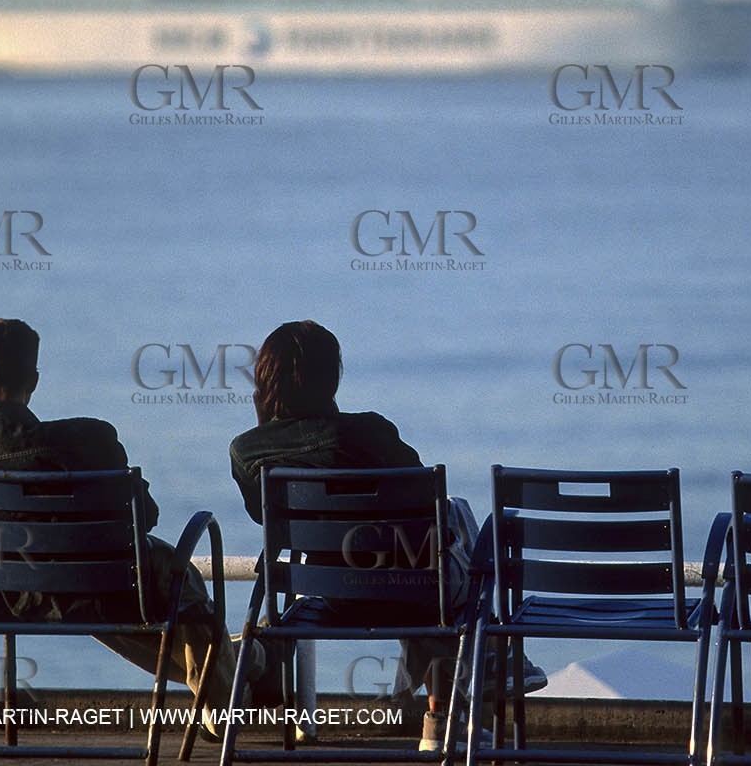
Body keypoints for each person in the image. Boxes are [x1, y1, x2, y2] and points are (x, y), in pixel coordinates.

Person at [0, 318, 261, 733]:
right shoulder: (91, 440)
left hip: (3, 595)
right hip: (105, 591)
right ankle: (227, 695)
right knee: (173, 569)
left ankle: (239, 664)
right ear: (34, 380)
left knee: (95, 583)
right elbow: (146, 516)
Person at [230, 320, 544, 750]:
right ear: (331, 379)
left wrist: (266, 422)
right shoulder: (370, 431)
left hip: (332, 594)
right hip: (410, 588)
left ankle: (464, 694)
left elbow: (260, 516)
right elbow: (423, 504)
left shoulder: (247, 450)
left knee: (415, 562)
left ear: (264, 382)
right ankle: (477, 682)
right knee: (447, 533)